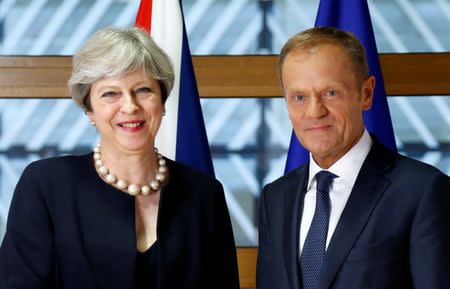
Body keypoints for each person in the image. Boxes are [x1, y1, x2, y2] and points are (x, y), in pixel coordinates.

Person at [0, 27, 240, 289]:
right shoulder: (46, 186)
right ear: (89, 109)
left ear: (162, 101)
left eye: (143, 90)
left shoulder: (205, 194)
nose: (130, 106)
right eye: (110, 93)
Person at [256, 26, 450, 289]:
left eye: (331, 93)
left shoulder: (422, 191)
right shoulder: (275, 198)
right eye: (299, 97)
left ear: (366, 94)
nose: (314, 112)